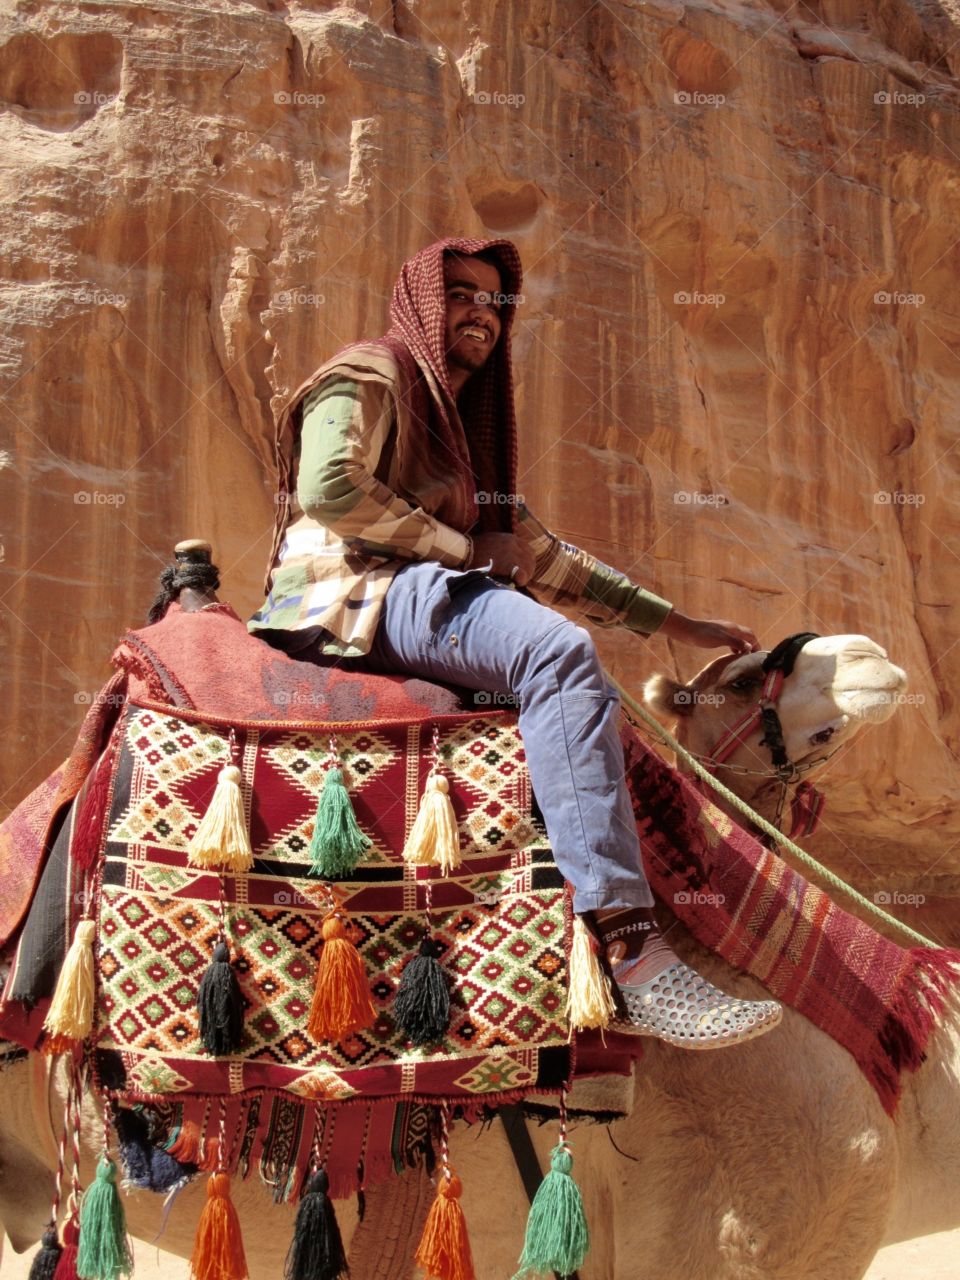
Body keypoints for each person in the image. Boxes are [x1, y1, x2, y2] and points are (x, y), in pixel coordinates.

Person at [250, 236, 781, 1049]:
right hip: (353, 592)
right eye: (461, 293)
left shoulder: (466, 440)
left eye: (495, 302)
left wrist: (679, 625)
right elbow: (329, 486)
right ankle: (633, 950)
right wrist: (462, 551)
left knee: (583, 701)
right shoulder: (372, 370)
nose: (481, 314)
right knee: (557, 654)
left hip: (416, 589)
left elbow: (545, 556)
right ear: (424, 301)